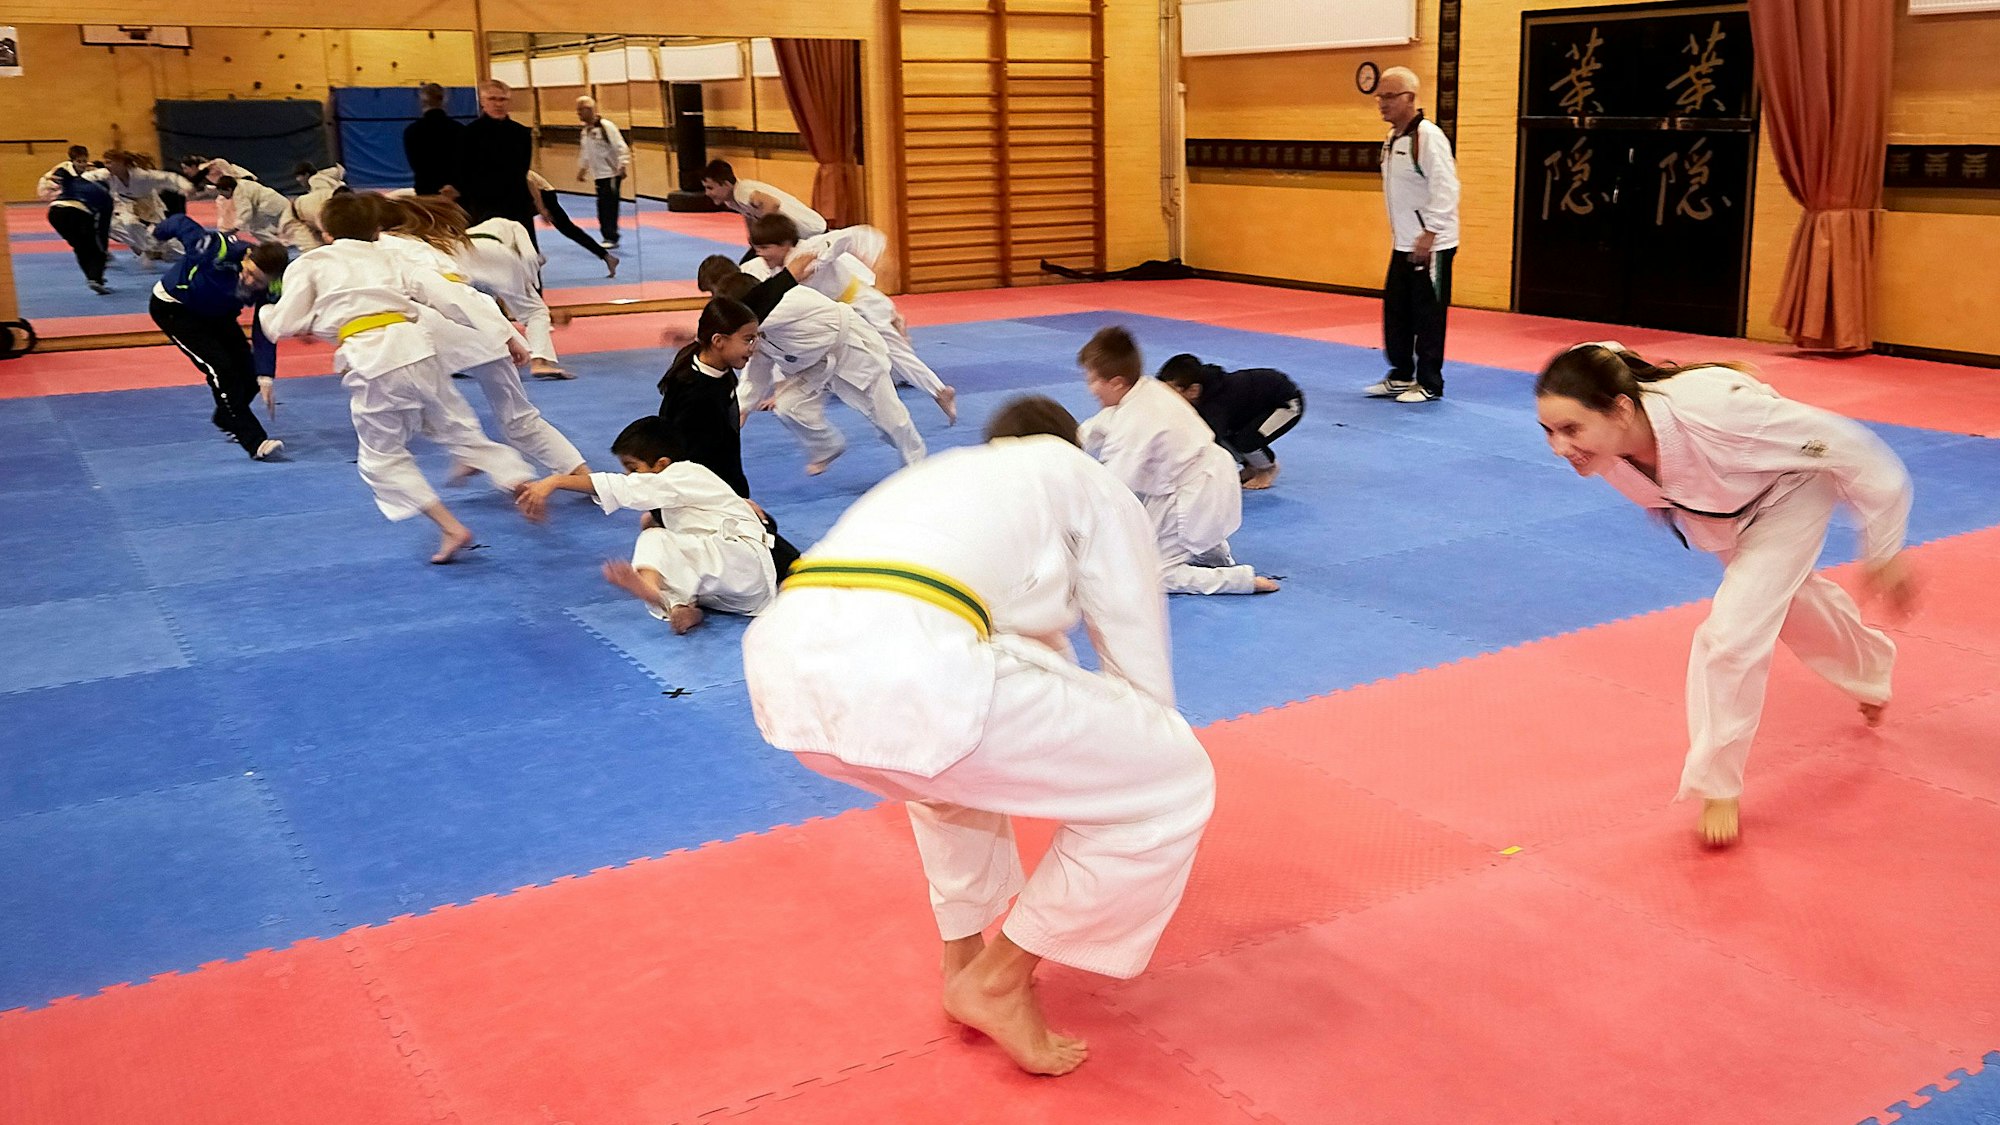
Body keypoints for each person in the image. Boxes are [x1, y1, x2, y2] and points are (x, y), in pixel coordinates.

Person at [741, 394, 1216, 1077]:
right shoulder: (1085, 480)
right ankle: (996, 980)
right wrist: (1130, 760)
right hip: (915, 667)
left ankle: (961, 952)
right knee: (1173, 781)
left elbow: (1032, 659)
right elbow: (1132, 643)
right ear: (1070, 446)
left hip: (784, 674)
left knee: (953, 769)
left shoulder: (947, 479)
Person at [1534, 342, 1917, 847]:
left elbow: (1854, 449)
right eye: (1549, 432)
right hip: (1723, 513)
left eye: (1571, 429)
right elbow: (1602, 353)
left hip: (1789, 495)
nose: (1559, 448)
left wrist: (1884, 548)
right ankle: (1869, 672)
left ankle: (1718, 785)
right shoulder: (1610, 440)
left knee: (1731, 634)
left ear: (1621, 409)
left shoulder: (1720, 413)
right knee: (1789, 603)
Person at [257, 192, 537, 563]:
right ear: (376, 229)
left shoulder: (313, 262)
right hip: (419, 349)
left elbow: (284, 323)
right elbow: (450, 295)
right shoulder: (392, 254)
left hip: (375, 359)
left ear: (324, 231)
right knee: (452, 423)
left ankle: (452, 527)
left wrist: (265, 313)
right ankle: (518, 478)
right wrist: (507, 334)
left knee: (381, 458)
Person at [372, 195, 586, 473]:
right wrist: (507, 334)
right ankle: (582, 475)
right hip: (481, 320)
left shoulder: (387, 248)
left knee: (418, 403)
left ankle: (482, 456)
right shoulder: (431, 246)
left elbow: (449, 296)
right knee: (518, 419)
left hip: (448, 327)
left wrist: (506, 335)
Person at [515, 416, 782, 635]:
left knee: (655, 537)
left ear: (662, 464)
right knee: (651, 524)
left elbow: (623, 487)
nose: (630, 476)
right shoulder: (677, 491)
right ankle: (682, 607)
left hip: (744, 564)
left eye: (633, 468)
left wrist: (555, 481)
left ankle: (655, 592)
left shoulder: (684, 474)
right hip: (735, 593)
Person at [1077, 328, 1278, 596]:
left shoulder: (1135, 421)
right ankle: (1212, 555)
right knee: (1151, 537)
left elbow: (1115, 488)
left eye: (1092, 381)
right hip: (1197, 481)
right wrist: (1057, 444)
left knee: (1155, 574)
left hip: (1194, 491)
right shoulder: (1145, 389)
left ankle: (1241, 580)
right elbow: (1096, 429)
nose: (1090, 390)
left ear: (1115, 383)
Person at [704, 262, 926, 476]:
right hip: (812, 365)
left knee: (890, 419)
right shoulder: (753, 326)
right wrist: (744, 406)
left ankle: (918, 466)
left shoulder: (786, 301)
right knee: (789, 406)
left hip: (851, 349)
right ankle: (827, 446)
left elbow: (740, 337)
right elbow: (758, 366)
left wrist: (697, 335)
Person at [746, 214, 958, 424]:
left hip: (861, 305)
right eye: (757, 248)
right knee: (789, 342)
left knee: (894, 352)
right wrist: (779, 391)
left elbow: (850, 236)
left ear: (784, 244)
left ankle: (938, 391)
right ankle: (937, 389)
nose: (760, 254)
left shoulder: (811, 249)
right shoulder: (771, 269)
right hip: (835, 316)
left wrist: (871, 255)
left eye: (765, 248)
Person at [1361, 66, 1460, 404]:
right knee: (1397, 311)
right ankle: (1402, 374)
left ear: (1410, 99)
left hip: (1433, 244)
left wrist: (1430, 233)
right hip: (1403, 242)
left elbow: (1446, 189)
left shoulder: (1428, 137)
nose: (1382, 103)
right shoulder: (1393, 138)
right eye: (1379, 97)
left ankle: (1430, 382)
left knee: (1428, 315)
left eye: (1389, 97)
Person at [150, 231, 290, 460]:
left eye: (259, 281)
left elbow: (264, 326)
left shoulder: (274, 286)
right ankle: (254, 442)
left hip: (216, 313)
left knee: (251, 374)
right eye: (250, 272)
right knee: (221, 369)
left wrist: (266, 375)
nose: (250, 281)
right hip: (175, 309)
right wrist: (158, 235)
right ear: (247, 258)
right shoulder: (221, 249)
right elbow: (181, 224)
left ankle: (227, 418)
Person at [658, 296, 762, 499]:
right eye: (748, 339)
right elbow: (690, 455)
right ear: (718, 341)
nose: (754, 346)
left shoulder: (719, 367)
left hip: (726, 477)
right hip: (705, 489)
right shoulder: (696, 393)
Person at [1155, 353, 1305, 490]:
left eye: (1172, 393)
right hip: (1251, 409)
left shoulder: (1216, 405)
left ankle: (1267, 468)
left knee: (1247, 441)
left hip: (1286, 404)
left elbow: (1209, 443)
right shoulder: (1200, 392)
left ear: (1193, 390)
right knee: (1229, 436)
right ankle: (1251, 466)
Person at [455, 80, 538, 242]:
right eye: (492, 99)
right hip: (482, 205)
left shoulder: (521, 133)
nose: (498, 104)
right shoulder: (468, 134)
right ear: (483, 102)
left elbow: (523, 170)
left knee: (525, 256)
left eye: (502, 99)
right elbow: (463, 171)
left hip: (517, 204)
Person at [85, 151, 192, 260]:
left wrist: (187, 186)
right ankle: (146, 248)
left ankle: (187, 254)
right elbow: (86, 177)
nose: (107, 166)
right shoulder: (106, 174)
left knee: (163, 236)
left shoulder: (141, 175)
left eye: (110, 162)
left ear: (121, 163)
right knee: (124, 224)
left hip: (148, 204)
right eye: (106, 163)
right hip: (126, 204)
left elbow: (169, 177)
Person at [700, 159, 827, 245]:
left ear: (726, 184)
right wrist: (753, 239)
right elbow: (748, 215)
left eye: (710, 188)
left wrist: (765, 235)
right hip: (802, 234)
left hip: (813, 231)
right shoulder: (731, 200)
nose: (707, 193)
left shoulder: (742, 192)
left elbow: (772, 204)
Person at [38, 164, 114, 295]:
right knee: (96, 250)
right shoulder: (106, 196)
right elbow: (103, 227)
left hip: (55, 213)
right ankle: (95, 278)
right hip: (79, 213)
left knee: (80, 247)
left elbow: (60, 173)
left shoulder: (75, 180)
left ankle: (92, 277)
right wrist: (104, 248)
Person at [527, 169, 618, 276]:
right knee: (519, 226)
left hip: (545, 194)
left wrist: (542, 208)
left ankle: (606, 256)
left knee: (569, 229)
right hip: (537, 195)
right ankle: (533, 259)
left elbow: (530, 182)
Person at [574, 96, 631, 248]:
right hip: (598, 175)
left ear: (590, 109)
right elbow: (586, 152)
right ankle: (606, 235)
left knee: (609, 205)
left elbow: (620, 146)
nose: (578, 113)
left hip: (611, 173)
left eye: (581, 110)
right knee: (602, 206)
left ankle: (611, 236)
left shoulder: (606, 127)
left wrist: (622, 164)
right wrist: (582, 169)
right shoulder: (586, 131)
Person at [404, 83, 463, 196]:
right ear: (444, 101)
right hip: (454, 193)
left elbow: (416, 164)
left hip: (425, 191)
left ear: (422, 101)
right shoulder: (459, 129)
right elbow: (464, 163)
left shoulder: (411, 131)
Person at [281, 162, 348, 251]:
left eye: (298, 176)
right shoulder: (317, 182)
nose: (298, 180)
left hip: (308, 213)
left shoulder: (317, 180)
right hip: (294, 218)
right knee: (313, 250)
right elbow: (327, 233)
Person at [216, 175, 289, 242]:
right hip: (279, 202)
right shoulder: (242, 183)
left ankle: (277, 245)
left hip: (270, 206)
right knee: (283, 226)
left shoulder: (239, 194)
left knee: (255, 228)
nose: (223, 196)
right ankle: (279, 242)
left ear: (228, 189)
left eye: (223, 193)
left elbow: (245, 213)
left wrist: (235, 228)